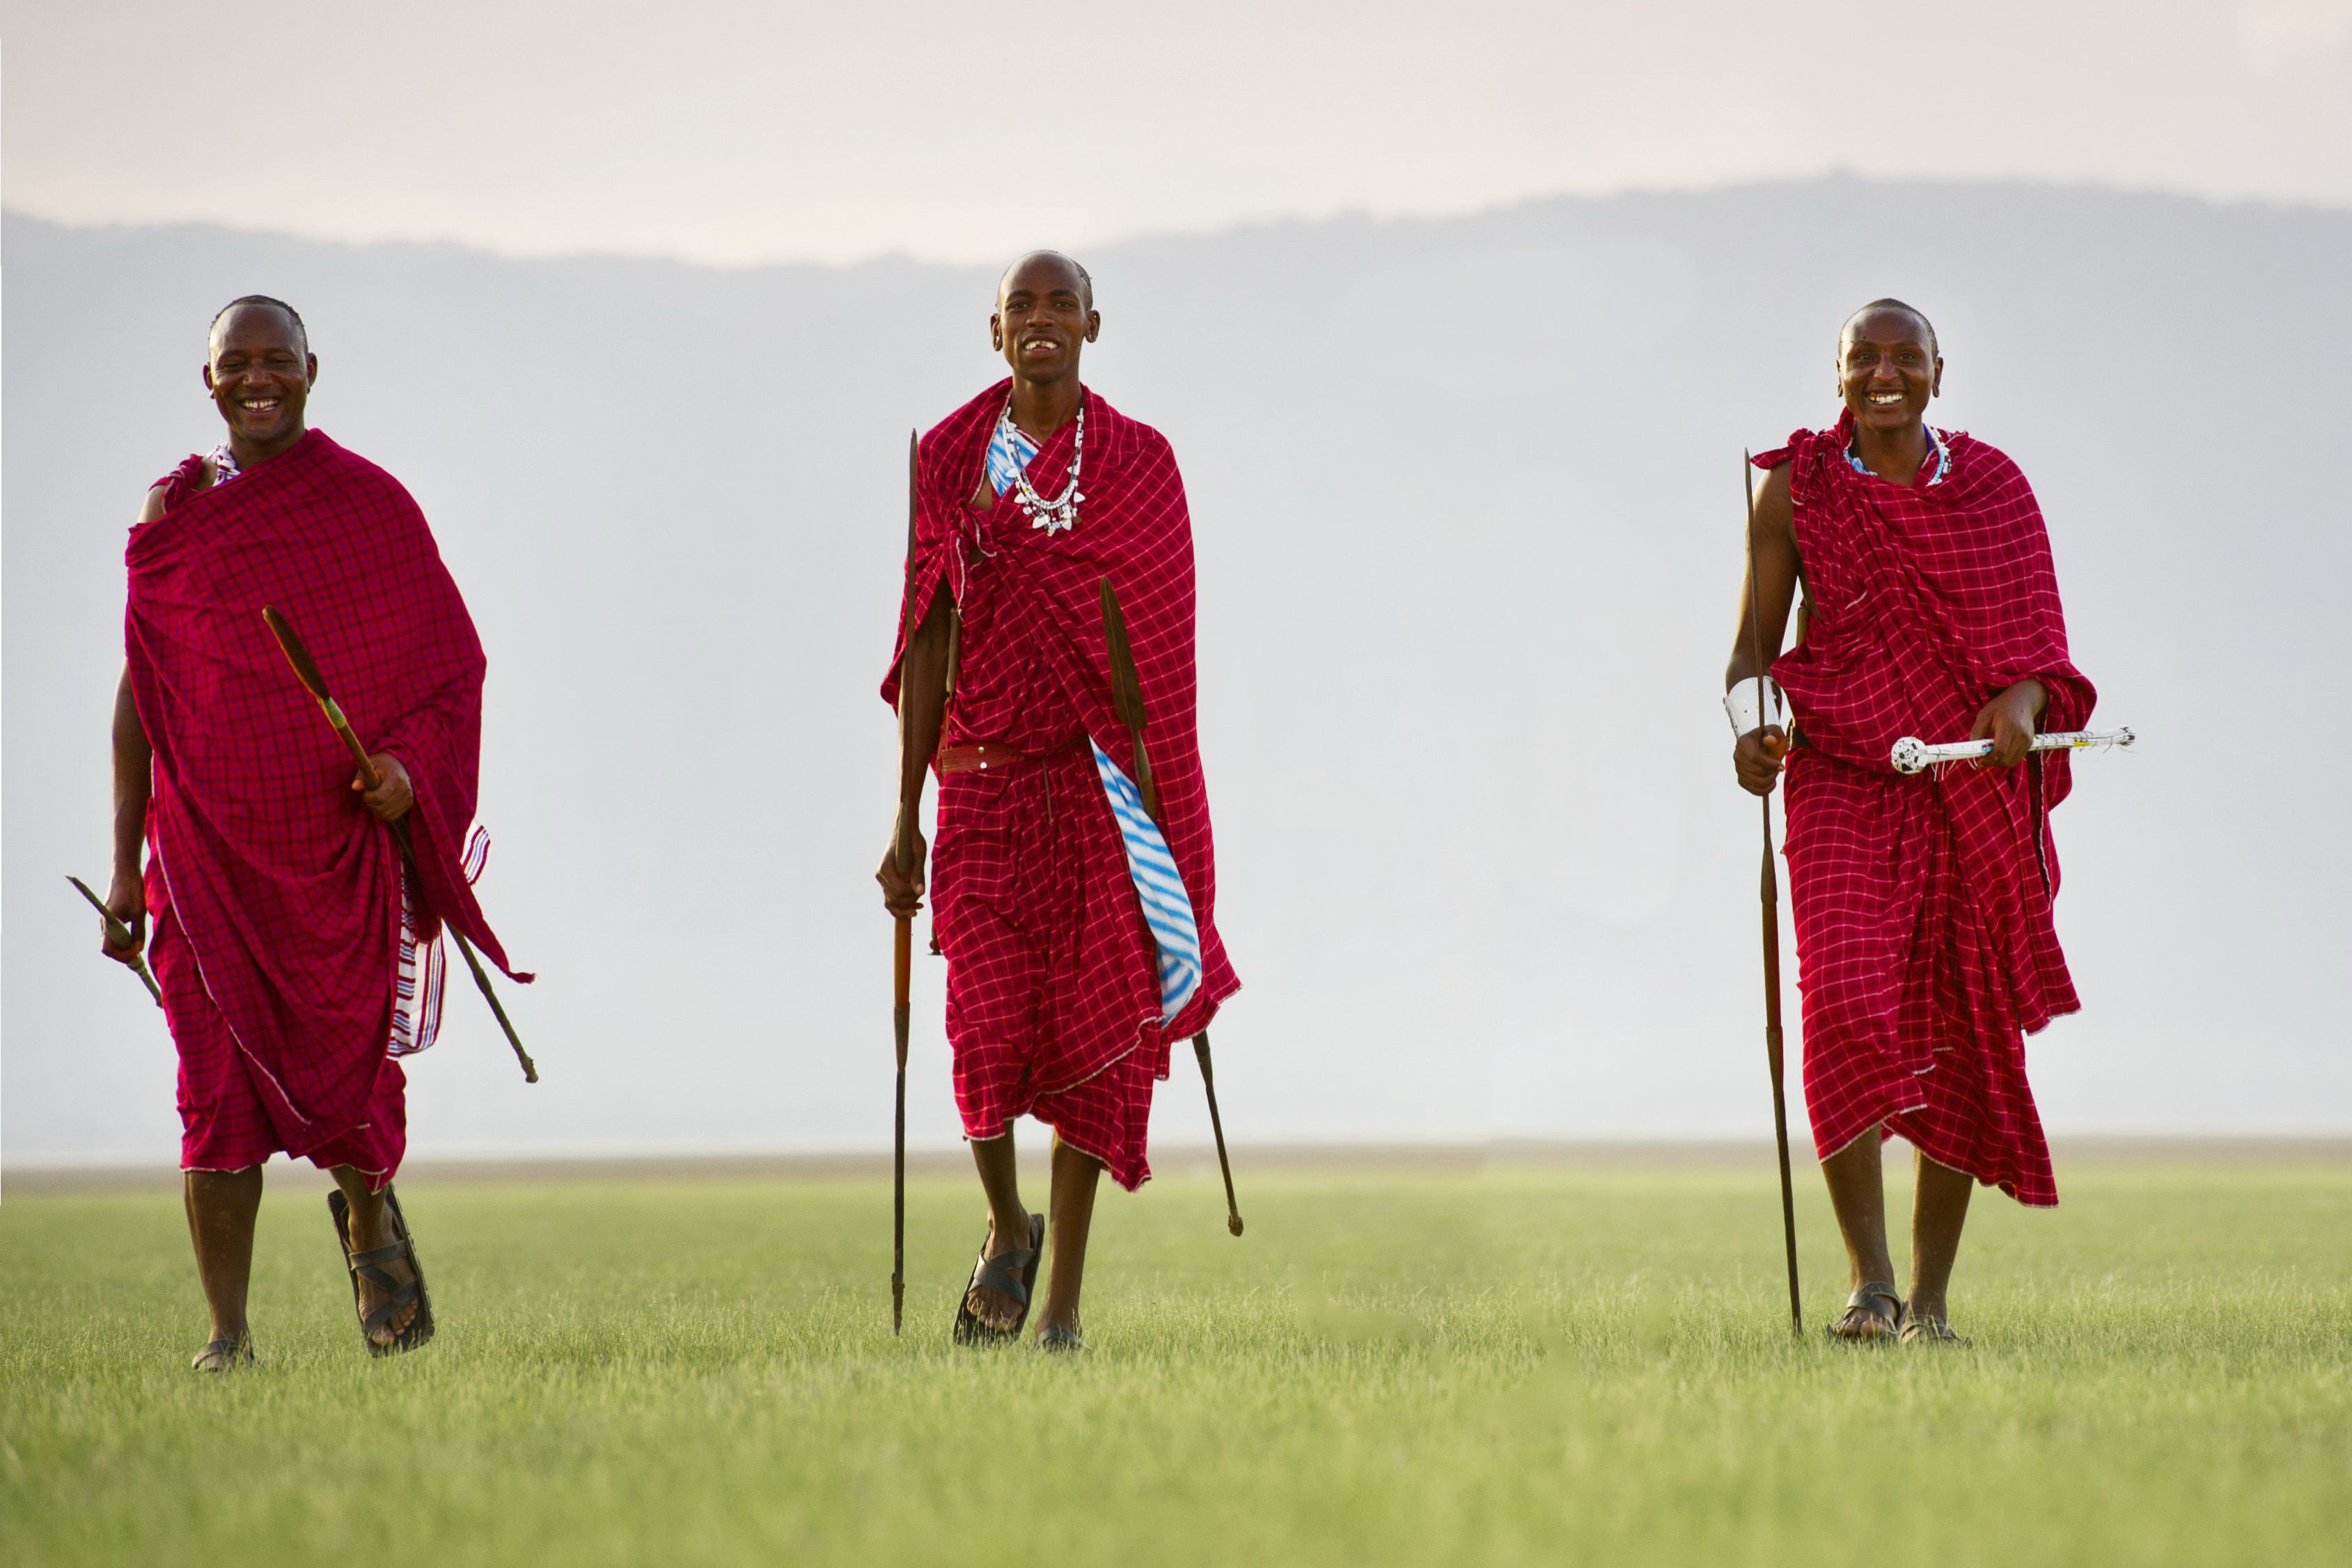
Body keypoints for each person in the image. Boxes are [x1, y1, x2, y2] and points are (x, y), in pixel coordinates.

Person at [101, 295, 527, 1370]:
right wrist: (120, 867)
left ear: (311, 370)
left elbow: (447, 675)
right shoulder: (173, 514)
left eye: (276, 361)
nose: (258, 379)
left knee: (348, 1080)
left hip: (334, 861)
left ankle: (373, 1225)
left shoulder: (370, 509)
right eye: (235, 364)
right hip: (200, 859)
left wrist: (404, 773)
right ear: (208, 382)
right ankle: (227, 1336)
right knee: (213, 1099)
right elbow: (141, 695)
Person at [878, 251, 1240, 1350]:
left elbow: (1162, 658)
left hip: (1099, 800)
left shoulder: (1138, 464)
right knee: (981, 1035)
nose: (1041, 321)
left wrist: (1157, 803)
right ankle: (1004, 1225)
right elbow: (925, 632)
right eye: (1019, 307)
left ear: (1093, 325)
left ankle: (1066, 1313)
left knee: (1095, 1046)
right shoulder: (946, 456)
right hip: (981, 782)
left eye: (1059, 305)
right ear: (994, 333)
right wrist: (906, 820)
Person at [1727, 299, 2096, 1344]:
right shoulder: (1796, 489)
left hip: (1968, 783)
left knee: (1961, 1032)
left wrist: (2019, 709)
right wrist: (1753, 732)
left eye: (1904, 359)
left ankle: (1927, 1308)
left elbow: (2041, 658)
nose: (1882, 375)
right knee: (1840, 1001)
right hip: (1841, 774)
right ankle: (1868, 1286)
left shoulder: (1993, 488)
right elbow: (1749, 659)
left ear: (1940, 371)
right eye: (1862, 359)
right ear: (1835, 373)